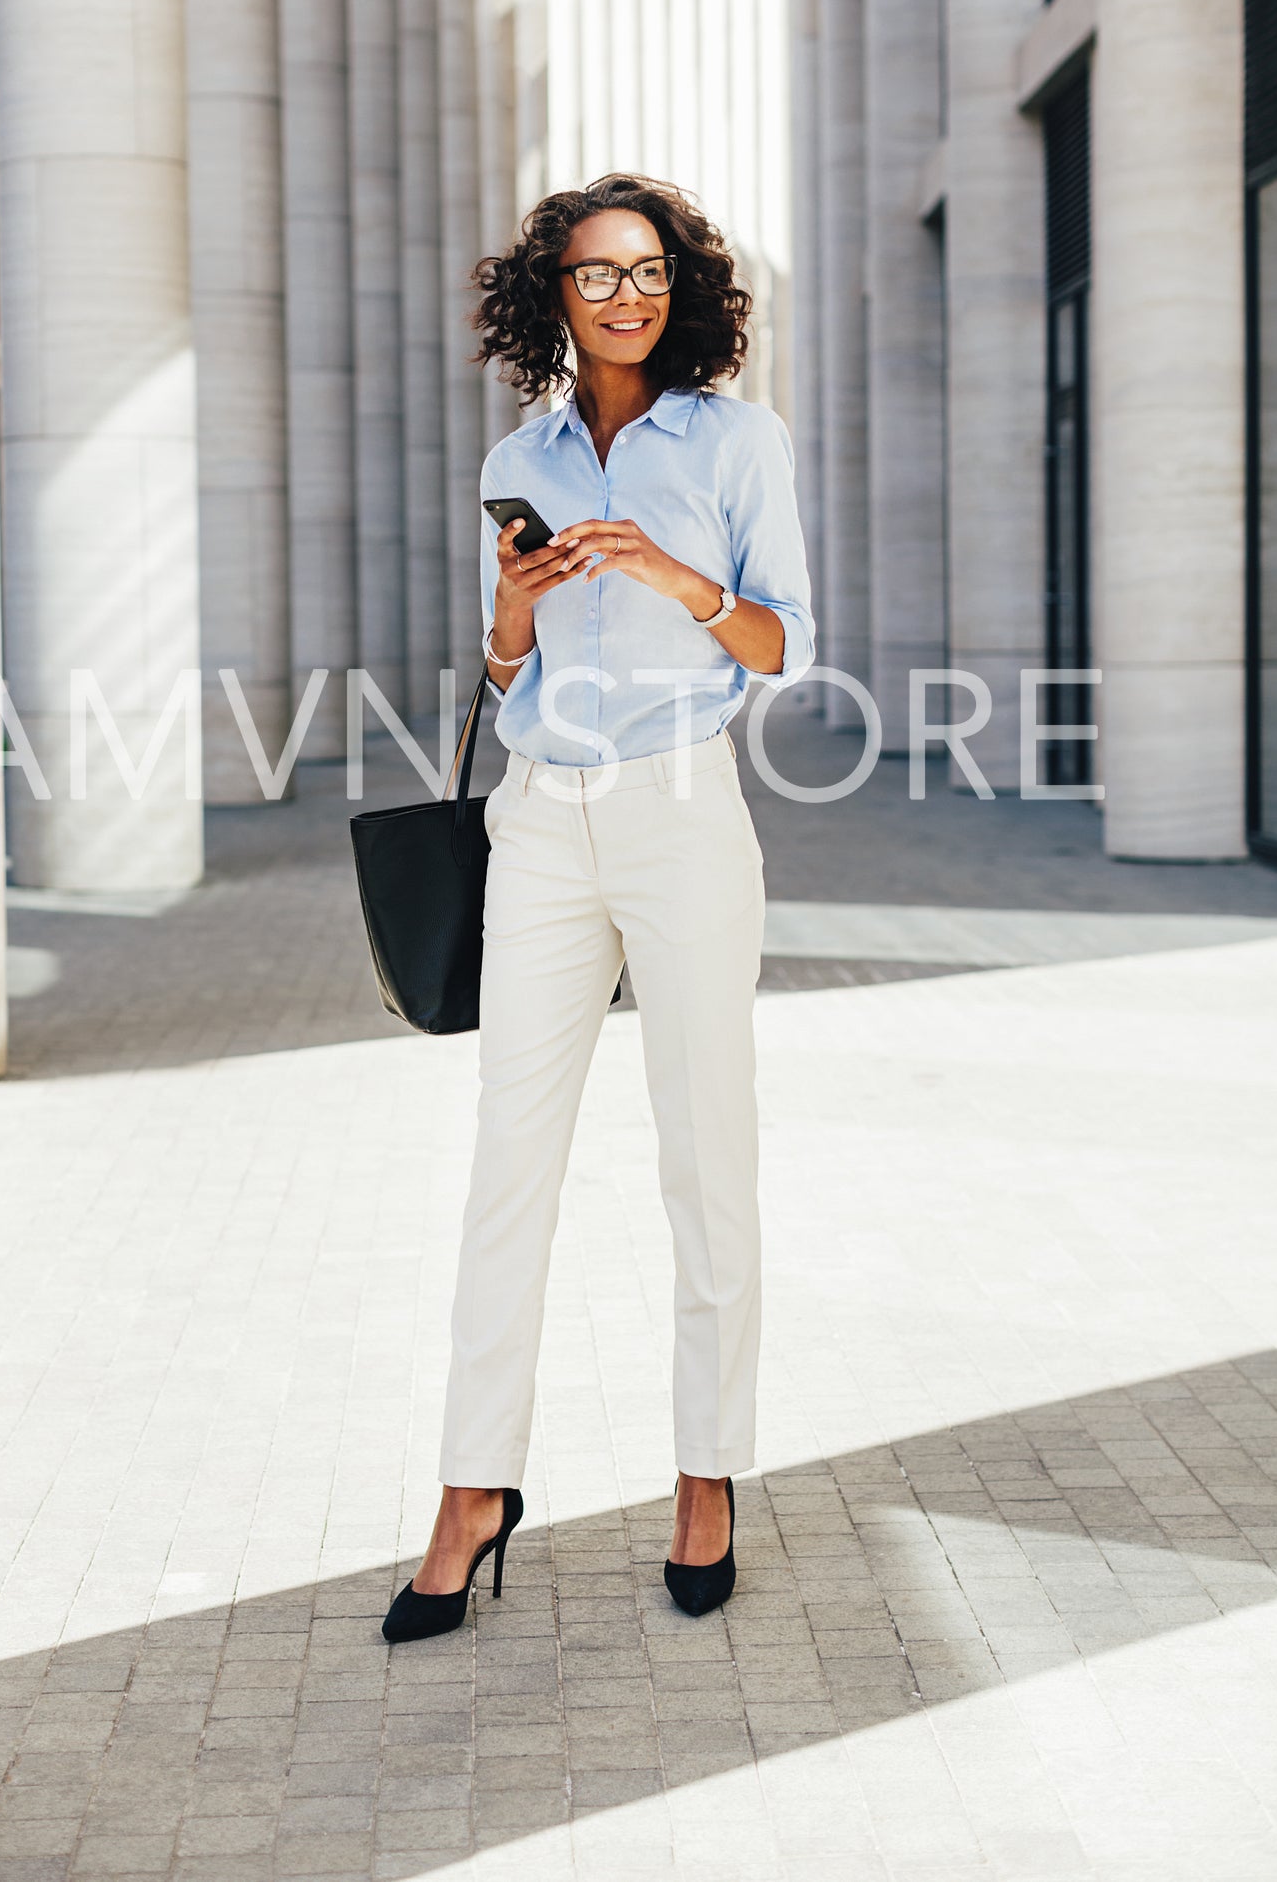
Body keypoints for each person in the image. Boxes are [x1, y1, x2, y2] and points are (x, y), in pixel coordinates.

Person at [382, 174, 814, 1643]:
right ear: (550, 294)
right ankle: (470, 1486)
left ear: (680, 287)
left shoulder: (739, 439)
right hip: (540, 817)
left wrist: (677, 578)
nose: (622, 294)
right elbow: (510, 674)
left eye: (647, 271)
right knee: (510, 1158)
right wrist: (515, 614)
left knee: (707, 1154)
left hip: (685, 806)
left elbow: (782, 645)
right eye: (593, 274)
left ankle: (705, 1474)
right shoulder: (522, 451)